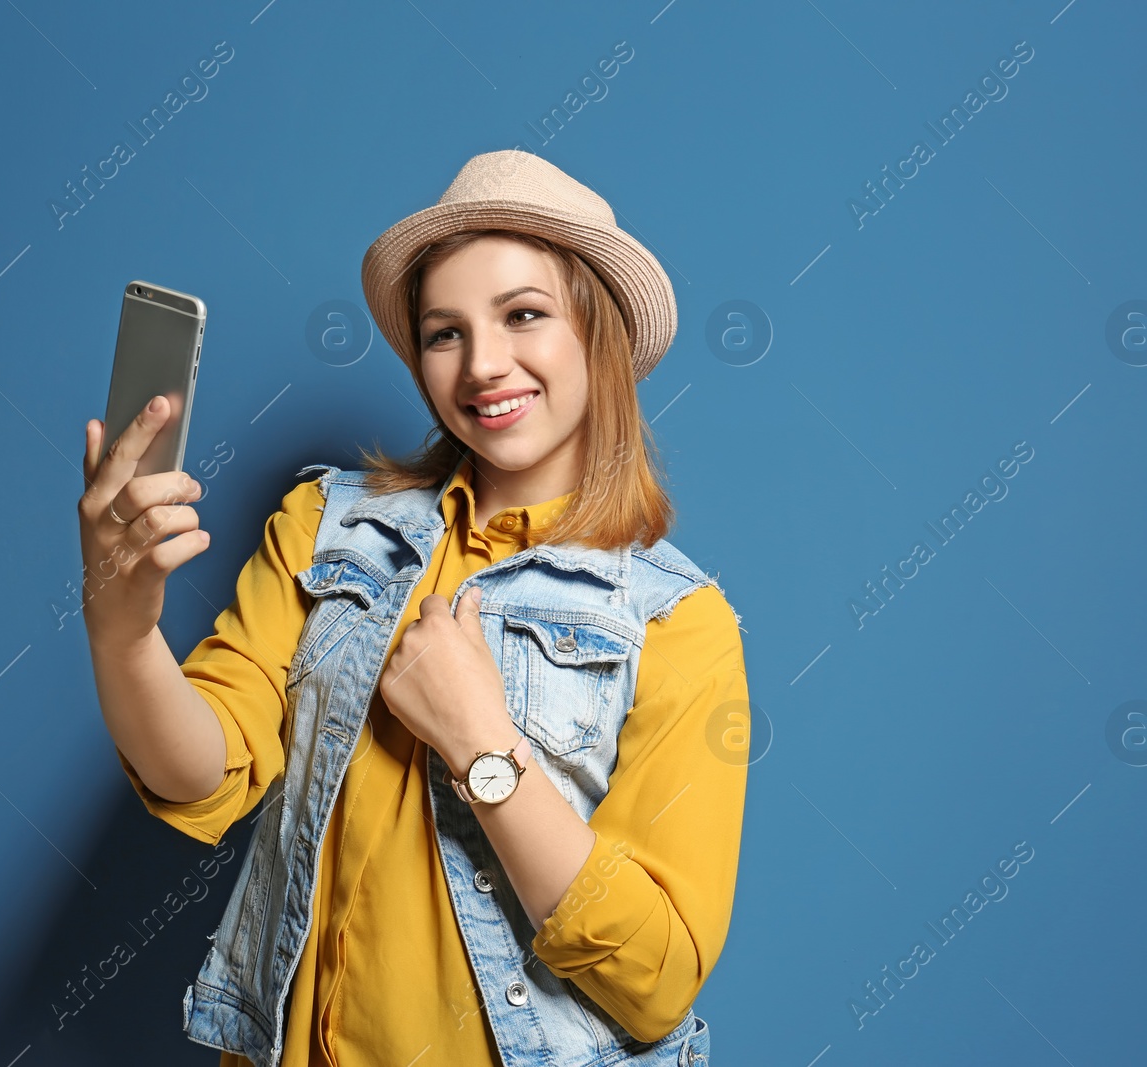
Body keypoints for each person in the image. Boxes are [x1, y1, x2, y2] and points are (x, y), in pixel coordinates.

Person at [76, 150, 748, 1066]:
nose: (482, 365)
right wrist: (122, 631)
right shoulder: (325, 527)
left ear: (600, 334)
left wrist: (482, 746)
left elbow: (658, 976)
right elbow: (204, 776)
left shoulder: (677, 620)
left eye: (523, 315)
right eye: (445, 332)